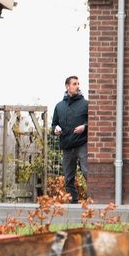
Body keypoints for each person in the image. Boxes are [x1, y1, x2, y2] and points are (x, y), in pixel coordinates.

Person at [51, 75, 88, 203]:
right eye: (74, 84)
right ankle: (73, 204)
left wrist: (84, 126)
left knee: (87, 172)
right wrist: (55, 129)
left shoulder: (85, 104)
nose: (77, 86)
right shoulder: (59, 106)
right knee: (69, 178)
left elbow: (93, 122)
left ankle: (96, 202)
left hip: (82, 144)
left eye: (78, 83)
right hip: (67, 146)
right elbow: (54, 124)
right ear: (67, 86)